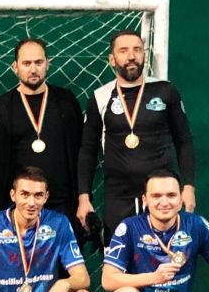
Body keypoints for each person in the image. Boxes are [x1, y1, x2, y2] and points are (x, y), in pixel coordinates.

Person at [77, 30, 197, 242]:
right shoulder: (100, 97)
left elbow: (184, 141)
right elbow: (88, 150)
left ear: (144, 54)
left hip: (161, 197)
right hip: (118, 198)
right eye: (123, 51)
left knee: (165, 257)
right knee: (118, 259)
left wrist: (188, 187)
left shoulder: (165, 91)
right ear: (112, 59)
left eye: (137, 50)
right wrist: (84, 197)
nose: (131, 56)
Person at [0, 38, 83, 226]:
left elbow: (81, 153)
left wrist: (83, 198)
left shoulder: (66, 102)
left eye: (38, 62)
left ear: (47, 64)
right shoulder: (0, 108)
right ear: (15, 67)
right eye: (26, 63)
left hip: (62, 203)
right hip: (16, 206)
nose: (33, 69)